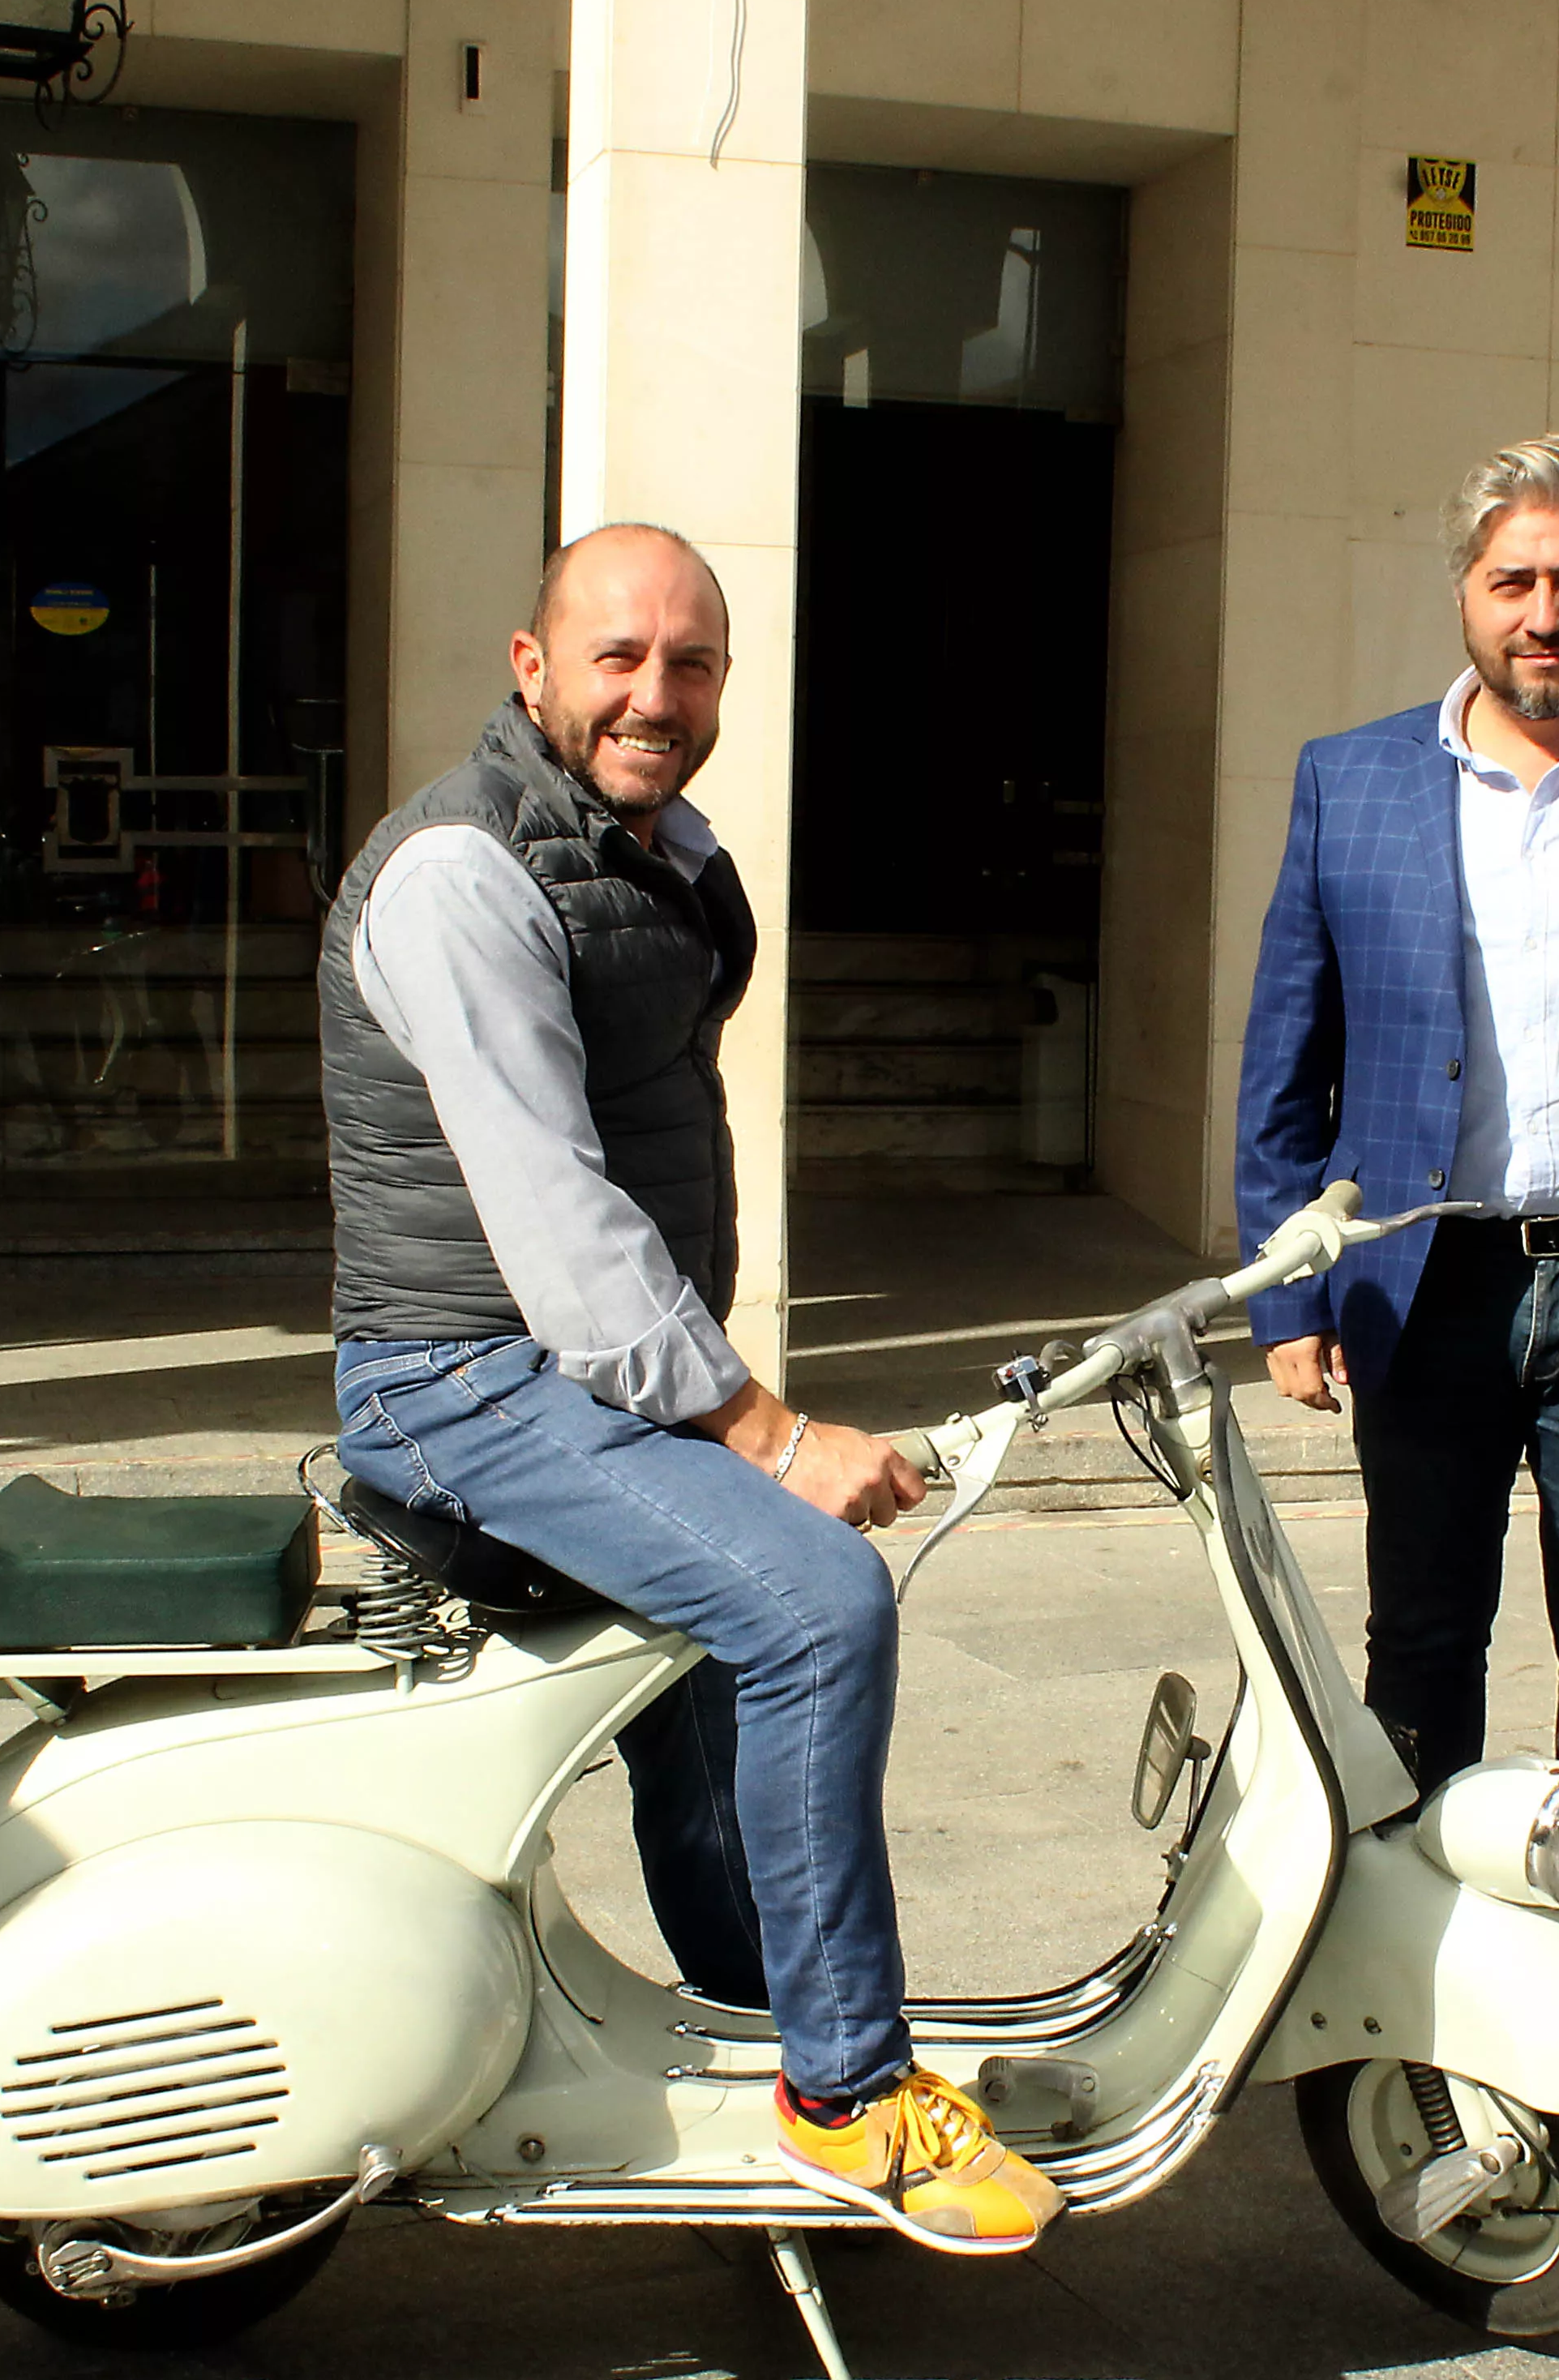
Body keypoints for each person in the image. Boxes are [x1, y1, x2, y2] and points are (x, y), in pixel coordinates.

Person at [321, 522, 1060, 2257]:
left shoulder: (655, 848)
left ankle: (760, 2057)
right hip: (461, 1375)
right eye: (618, 658)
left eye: (694, 662)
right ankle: (850, 2098)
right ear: (532, 667)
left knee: (719, 1714)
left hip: (557, 1366)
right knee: (814, 1604)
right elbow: (553, 1214)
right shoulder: (462, 875)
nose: (657, 693)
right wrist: (766, 1433)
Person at [1235, 437, 1559, 1919]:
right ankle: (1415, 1948)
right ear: (1468, 595)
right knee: (1421, 1639)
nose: (1547, 612)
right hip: (1428, 1282)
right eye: (1514, 580)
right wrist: (1288, 1298)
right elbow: (1291, 1048)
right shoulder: (1354, 782)